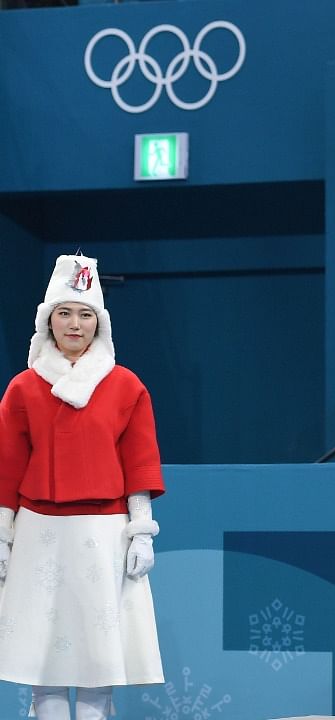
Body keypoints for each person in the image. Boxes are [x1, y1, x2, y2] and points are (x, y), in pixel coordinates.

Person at [0, 254, 165, 720]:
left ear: (100, 322)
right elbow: (6, 467)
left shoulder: (125, 386)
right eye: (65, 313)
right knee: (43, 660)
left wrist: (140, 530)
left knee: (99, 661)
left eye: (86, 314)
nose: (75, 324)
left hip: (103, 533)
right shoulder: (23, 389)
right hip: (39, 534)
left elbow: (139, 463)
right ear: (48, 319)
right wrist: (3, 536)